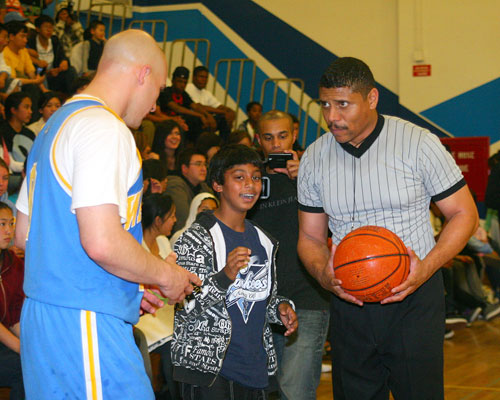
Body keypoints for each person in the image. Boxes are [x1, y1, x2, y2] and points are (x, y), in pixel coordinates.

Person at [14, 29, 201, 399]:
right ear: (142, 74)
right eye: (158, 90)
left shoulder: (55, 125)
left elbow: (24, 236)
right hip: (84, 321)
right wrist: (166, 275)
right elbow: (101, 242)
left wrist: (127, 285)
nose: (152, 106)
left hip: (46, 319)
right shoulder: (104, 128)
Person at [297, 57, 478, 400]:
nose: (332, 116)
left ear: (372, 98)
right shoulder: (314, 157)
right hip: (349, 301)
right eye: (325, 104)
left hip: (413, 297)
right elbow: (309, 236)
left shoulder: (419, 143)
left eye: (343, 104)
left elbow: (463, 215)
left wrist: (425, 268)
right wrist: (325, 275)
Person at [171, 144, 298, 400]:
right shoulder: (196, 239)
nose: (250, 185)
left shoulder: (265, 241)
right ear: (218, 184)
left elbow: (263, 297)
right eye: (239, 177)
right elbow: (184, 305)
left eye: (255, 178)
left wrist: (281, 308)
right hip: (209, 371)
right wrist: (224, 276)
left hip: (255, 370)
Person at [248, 110, 330, 400]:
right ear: (258, 140)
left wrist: (303, 180)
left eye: (283, 136)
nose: (276, 144)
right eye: (268, 138)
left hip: (307, 296)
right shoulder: (250, 180)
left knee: (295, 392)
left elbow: (335, 220)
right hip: (260, 302)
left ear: (294, 135)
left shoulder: (316, 172)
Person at [136, 192, 180, 399]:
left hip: (166, 309)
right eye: (171, 216)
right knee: (171, 342)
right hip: (145, 313)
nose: (175, 220)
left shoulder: (163, 241)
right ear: (157, 220)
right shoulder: (136, 246)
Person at [0, 201, 24, 400]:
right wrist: (20, 347)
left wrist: (29, 342)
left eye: (11, 223)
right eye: (2, 224)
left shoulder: (12, 262)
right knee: (24, 366)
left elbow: (15, 315)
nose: (8, 230)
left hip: (4, 338)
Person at [158, 66, 215, 144]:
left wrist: (207, 115)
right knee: (193, 120)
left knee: (204, 122)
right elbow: (176, 108)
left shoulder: (184, 94)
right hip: (166, 121)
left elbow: (194, 106)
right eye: (179, 81)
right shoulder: (166, 92)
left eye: (184, 82)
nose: (182, 85)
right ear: (173, 81)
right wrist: (200, 115)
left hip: (180, 121)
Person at [165, 147, 212, 232]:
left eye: (205, 164)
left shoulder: (204, 188)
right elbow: (183, 219)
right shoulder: (175, 185)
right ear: (185, 168)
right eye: (198, 164)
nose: (204, 169)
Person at [27, 14, 76, 94]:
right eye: (46, 27)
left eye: (51, 27)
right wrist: (45, 71)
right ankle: (47, 96)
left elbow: (62, 55)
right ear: (37, 29)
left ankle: (74, 96)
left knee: (71, 70)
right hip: (40, 74)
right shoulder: (31, 42)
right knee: (40, 71)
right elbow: (30, 62)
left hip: (55, 74)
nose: (49, 30)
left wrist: (64, 61)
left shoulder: (54, 41)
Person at [186, 65, 235, 141]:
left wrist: (230, 112)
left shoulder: (206, 93)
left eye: (206, 78)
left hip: (206, 121)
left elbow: (219, 106)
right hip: (193, 120)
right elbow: (199, 107)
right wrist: (223, 112)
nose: (204, 80)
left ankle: (224, 146)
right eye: (201, 77)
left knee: (224, 119)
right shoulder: (188, 88)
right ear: (194, 77)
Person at [0, 92, 32, 173]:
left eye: (30, 108)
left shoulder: (30, 133)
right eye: (26, 107)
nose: (30, 111)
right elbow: (9, 163)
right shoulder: (2, 131)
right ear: (13, 110)